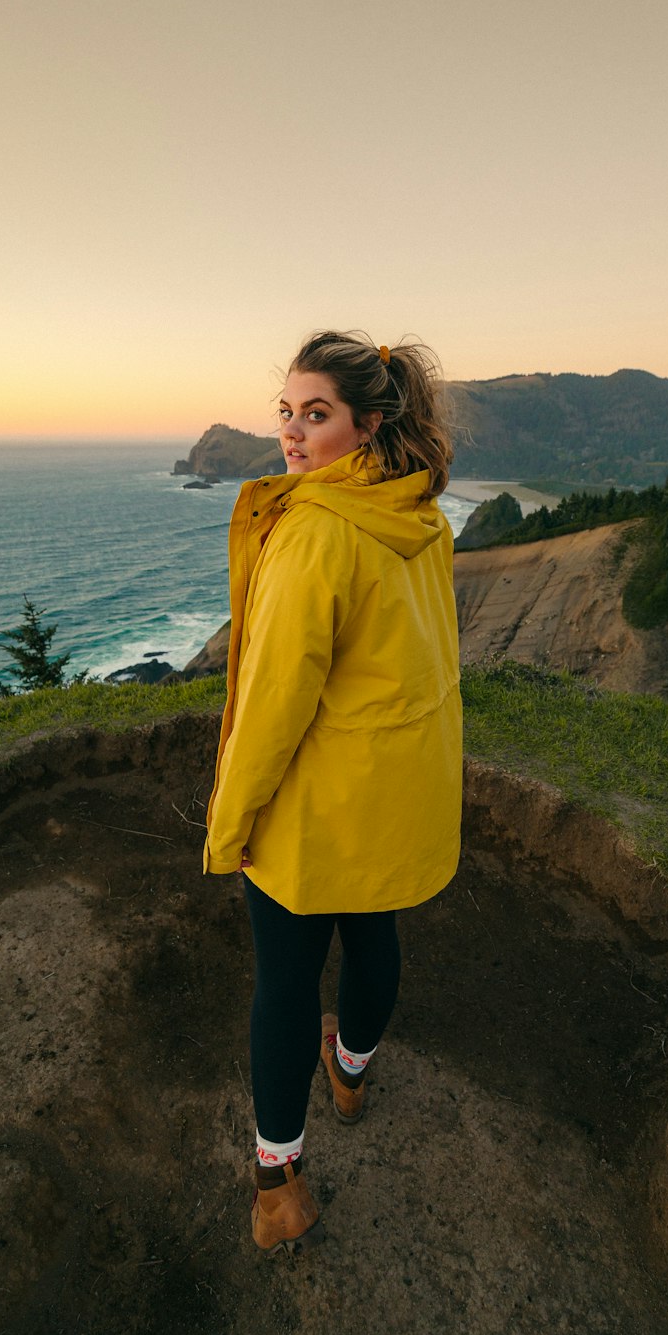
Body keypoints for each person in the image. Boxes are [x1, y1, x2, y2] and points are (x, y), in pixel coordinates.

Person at [203, 330, 462, 1253]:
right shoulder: (421, 512)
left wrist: (230, 821)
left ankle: (280, 1187)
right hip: (391, 797)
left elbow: (274, 705)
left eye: (317, 414)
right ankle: (350, 1073)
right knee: (374, 937)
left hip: (314, 813)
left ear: (368, 422)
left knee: (283, 987)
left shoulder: (315, 531)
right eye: (287, 411)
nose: (293, 432)